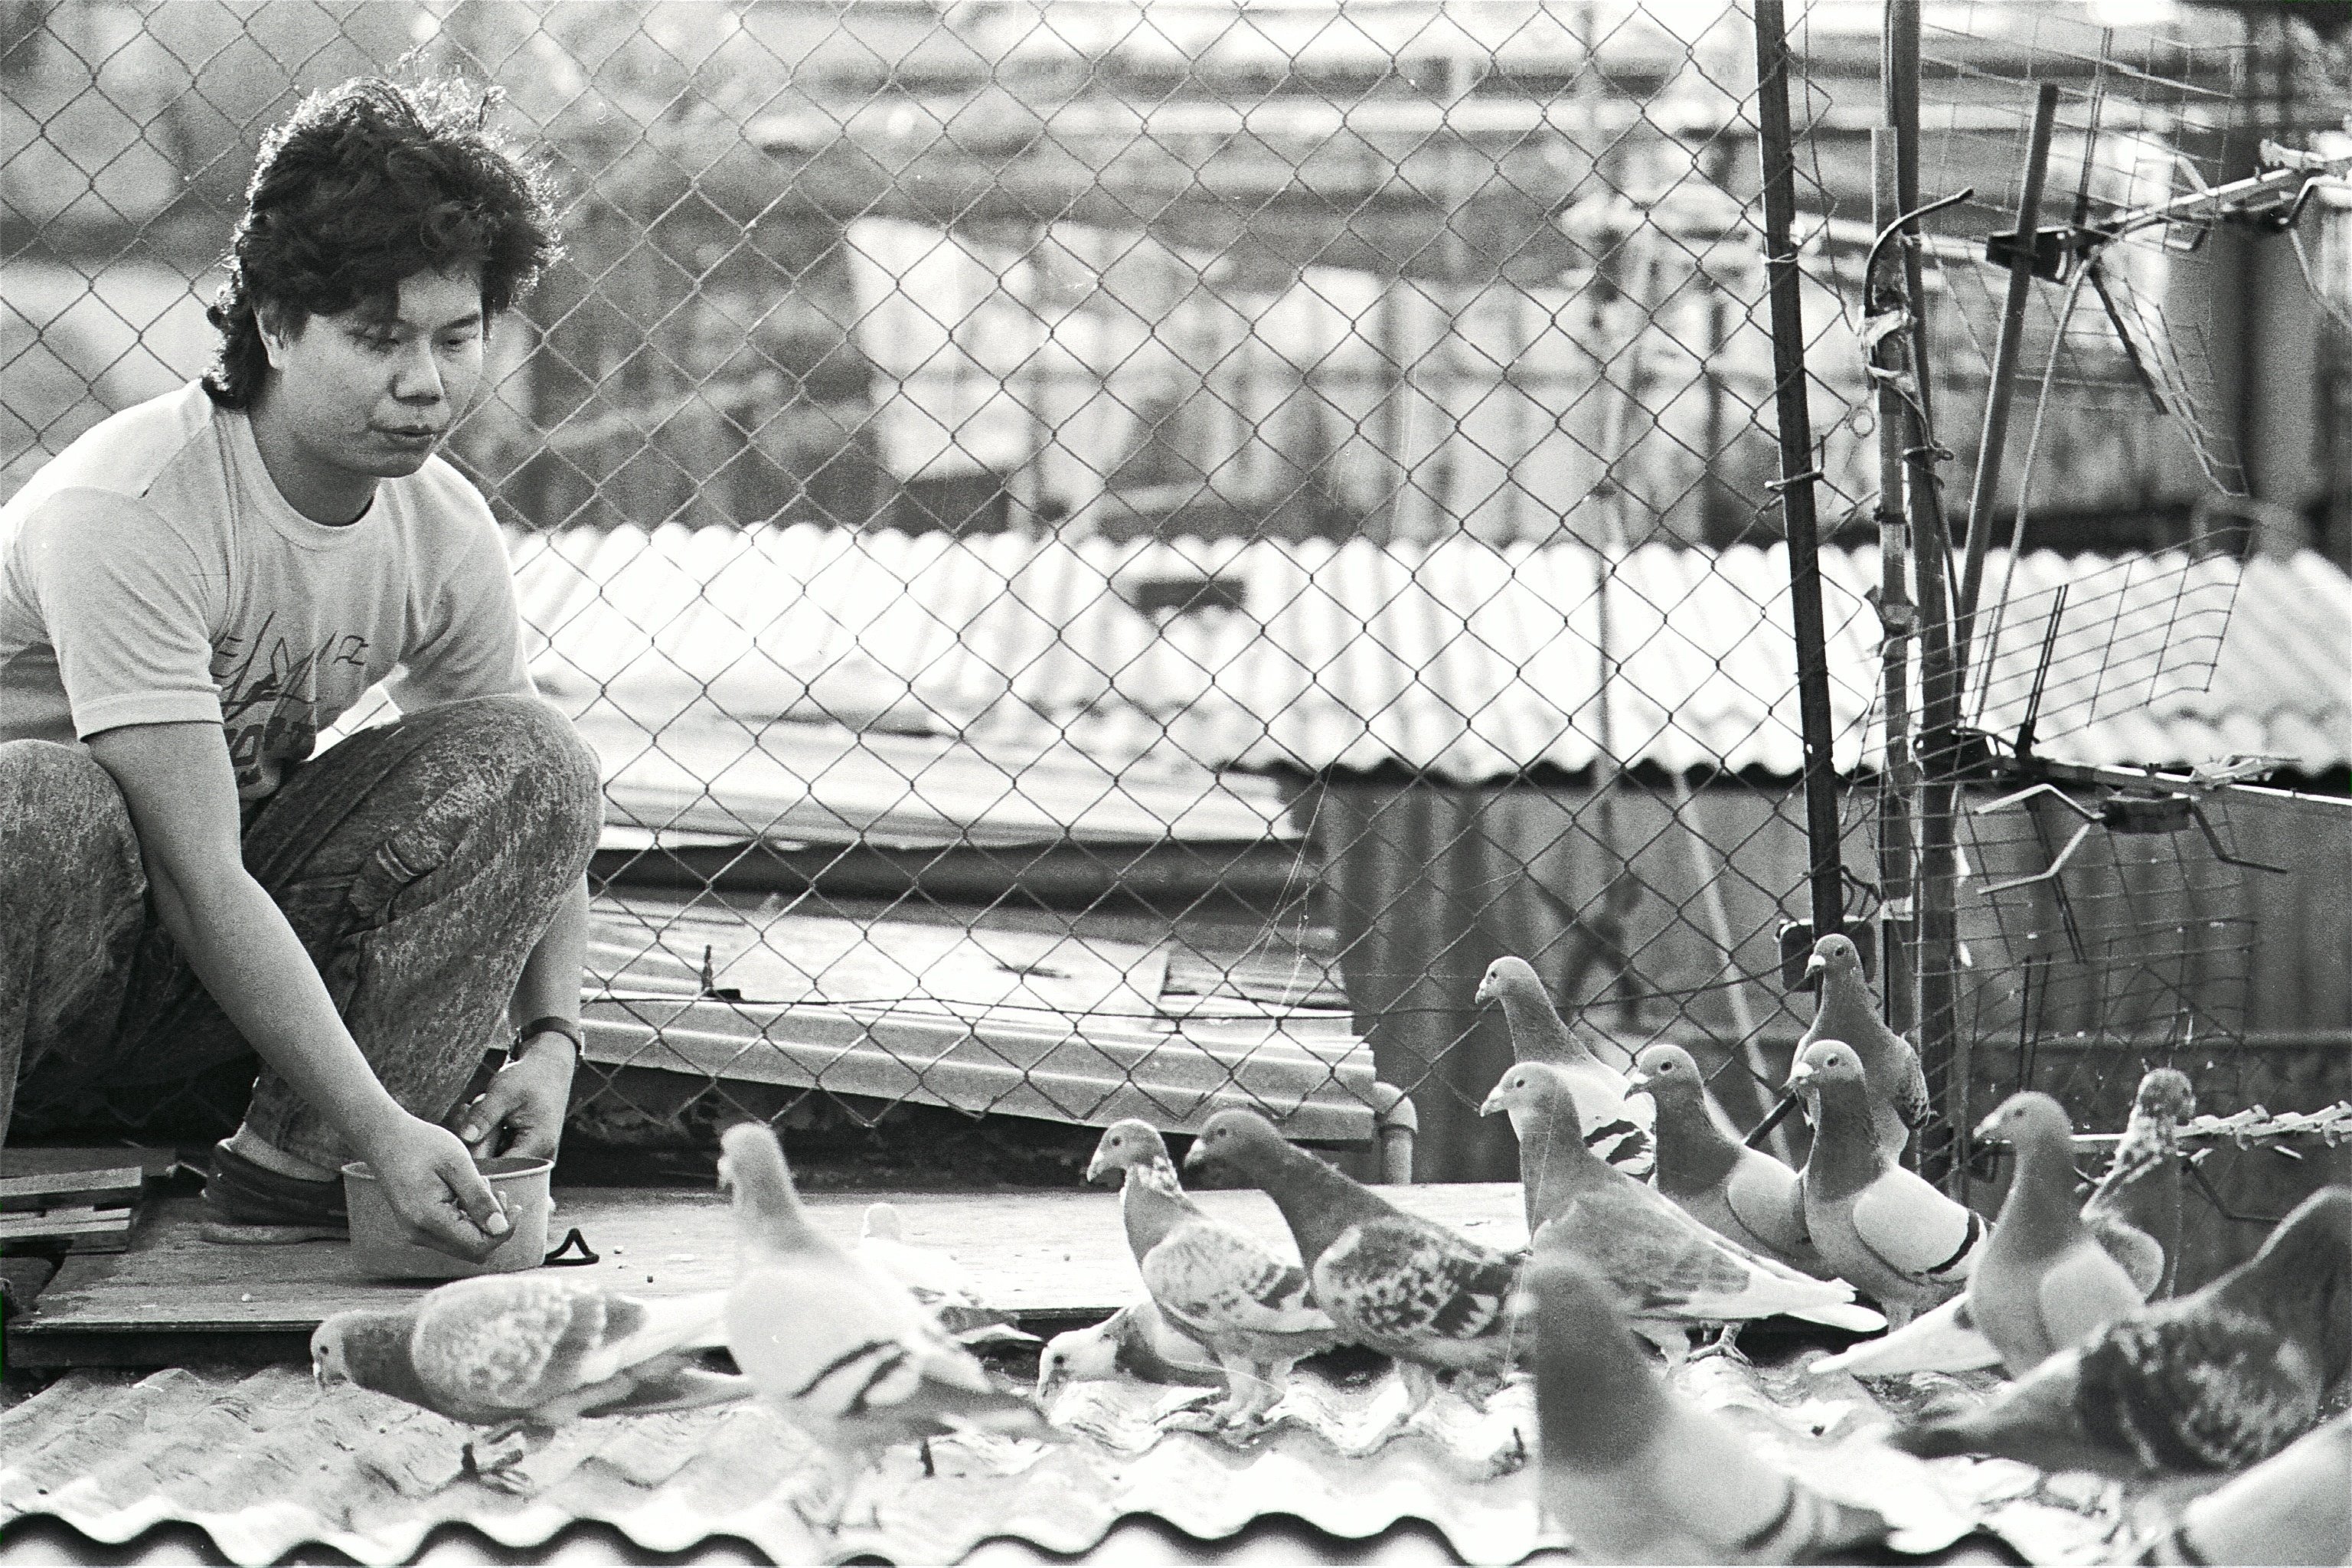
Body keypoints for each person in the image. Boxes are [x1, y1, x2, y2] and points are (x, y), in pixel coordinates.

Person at [0, 77, 601, 1259]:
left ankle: (297, 1175)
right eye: (379, 340)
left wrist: (552, 1040)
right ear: (274, 326)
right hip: (54, 942)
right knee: (43, 800)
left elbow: (544, 809)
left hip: (199, 969)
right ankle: (362, 1136)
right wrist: (387, 1117)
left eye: (457, 336)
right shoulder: (130, 507)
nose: (425, 382)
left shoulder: (439, 525)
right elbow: (195, 876)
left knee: (537, 758)